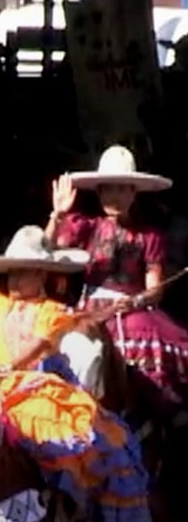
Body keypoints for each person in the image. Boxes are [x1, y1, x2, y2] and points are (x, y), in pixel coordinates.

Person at [49, 146, 188, 421]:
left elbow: (155, 288)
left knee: (146, 340)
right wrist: (58, 216)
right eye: (109, 189)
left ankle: (160, 418)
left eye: (122, 189)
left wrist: (135, 301)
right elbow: (48, 250)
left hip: (133, 310)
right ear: (99, 192)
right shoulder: (85, 227)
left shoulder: (149, 236)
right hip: (91, 309)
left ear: (134, 192)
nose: (115, 195)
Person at [0, 225, 89, 376]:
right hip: (1, 381)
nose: (14, 280)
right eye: (12, 273)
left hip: (40, 383)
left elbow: (39, 343)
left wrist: (11, 366)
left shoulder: (50, 311)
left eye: (22, 273)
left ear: (41, 275)